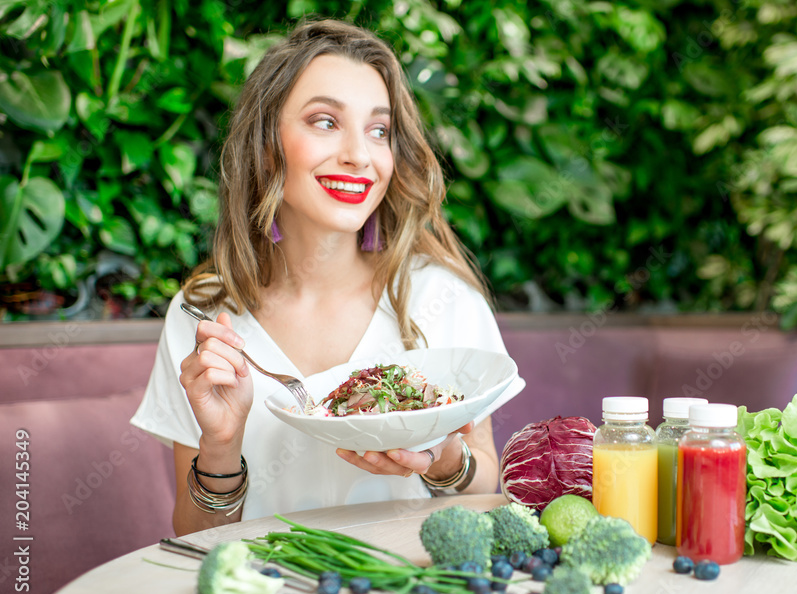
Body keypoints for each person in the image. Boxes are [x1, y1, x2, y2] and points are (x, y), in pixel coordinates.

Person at [131, 19, 523, 537]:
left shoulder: (441, 297)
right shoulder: (203, 316)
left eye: (378, 131)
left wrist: (445, 459)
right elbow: (192, 534)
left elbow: (488, 491)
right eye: (324, 121)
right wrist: (221, 447)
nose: (360, 155)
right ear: (267, 145)